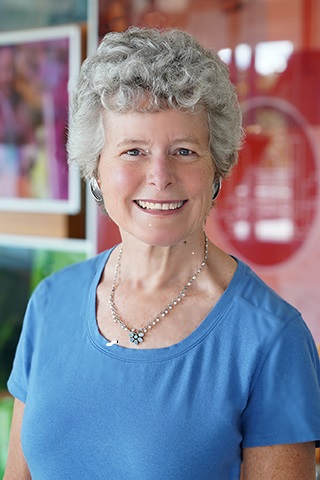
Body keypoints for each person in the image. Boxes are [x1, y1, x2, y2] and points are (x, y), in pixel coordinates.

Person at [4, 27, 320, 480]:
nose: (159, 177)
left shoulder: (272, 339)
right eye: (133, 150)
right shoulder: (50, 302)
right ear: (95, 168)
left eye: (185, 151)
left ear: (218, 167)